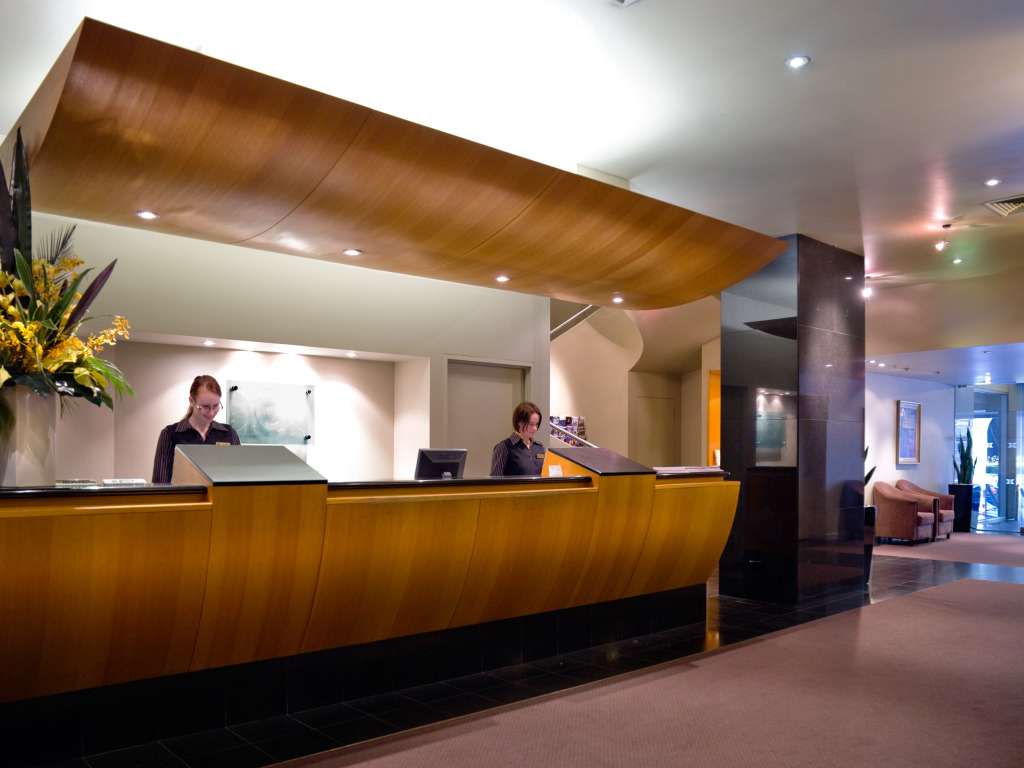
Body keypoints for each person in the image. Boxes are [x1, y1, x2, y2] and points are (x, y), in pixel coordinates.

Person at [151, 375, 240, 483]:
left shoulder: (229, 434)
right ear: (191, 401)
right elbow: (160, 483)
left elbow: (239, 477)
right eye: (205, 407)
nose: (211, 412)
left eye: (216, 406)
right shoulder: (170, 434)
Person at [490, 401, 546, 476]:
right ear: (519, 423)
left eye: (537, 424)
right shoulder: (504, 447)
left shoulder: (540, 447)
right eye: (531, 424)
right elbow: (495, 479)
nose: (535, 428)